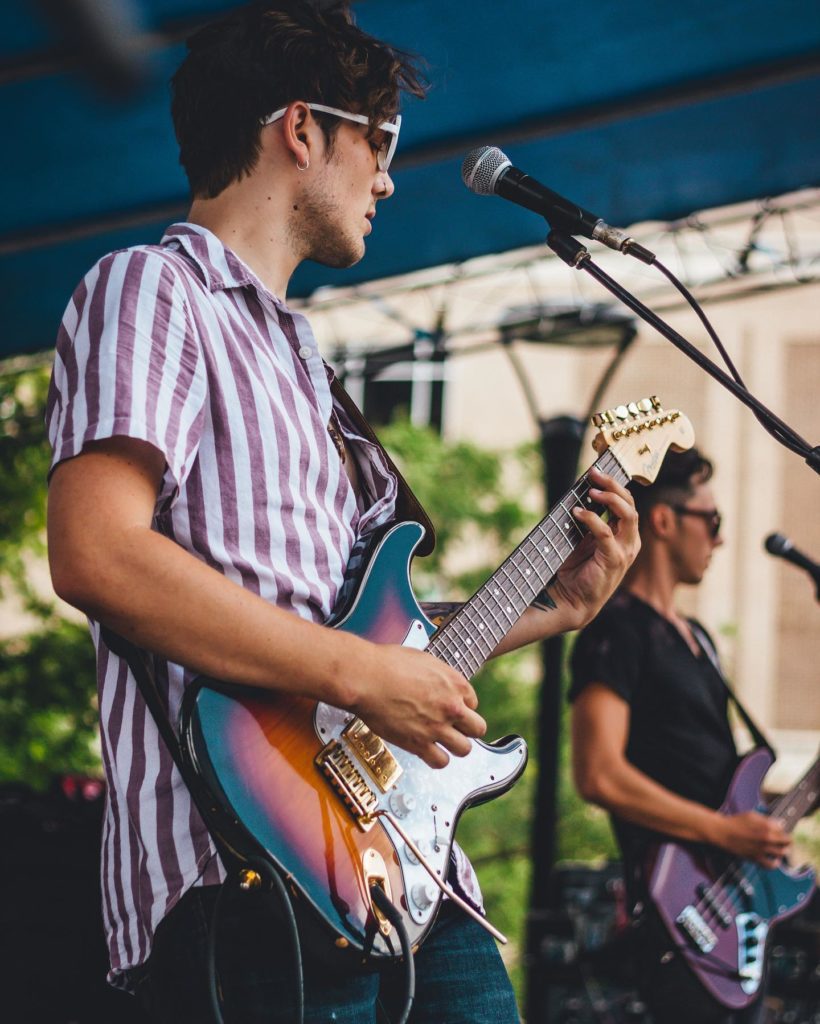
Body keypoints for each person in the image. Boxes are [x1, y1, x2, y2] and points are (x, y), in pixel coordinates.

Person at [45, 3, 640, 1021]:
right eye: (381, 138)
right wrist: (365, 672)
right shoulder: (152, 289)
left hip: (408, 867)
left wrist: (550, 611)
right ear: (300, 128)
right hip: (244, 866)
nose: (389, 176)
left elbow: (369, 637)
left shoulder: (309, 364)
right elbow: (97, 555)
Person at [569, 448, 791, 1024]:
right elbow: (598, 773)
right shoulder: (615, 628)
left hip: (729, 899)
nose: (718, 540)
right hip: (676, 905)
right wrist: (723, 830)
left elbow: (709, 774)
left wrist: (760, 828)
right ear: (664, 521)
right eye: (711, 521)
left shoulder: (699, 639)